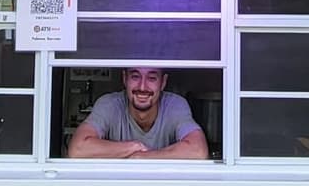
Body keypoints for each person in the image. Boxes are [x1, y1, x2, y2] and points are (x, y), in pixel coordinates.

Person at [67, 67, 209, 159]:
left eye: (152, 78)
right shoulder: (109, 104)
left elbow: (198, 151)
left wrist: (142, 157)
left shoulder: (175, 105)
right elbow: (77, 149)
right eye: (135, 76)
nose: (142, 86)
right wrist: (134, 147)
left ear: (163, 82)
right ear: (124, 79)